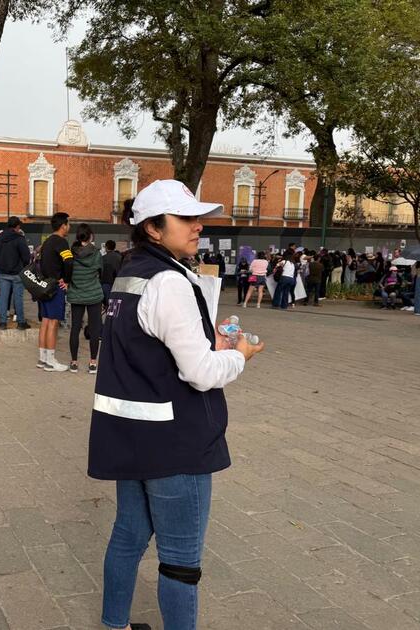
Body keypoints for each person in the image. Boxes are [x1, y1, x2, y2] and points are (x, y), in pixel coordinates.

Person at [89, 179, 264, 630]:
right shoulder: (169, 281)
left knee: (127, 536)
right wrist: (236, 355)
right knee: (181, 560)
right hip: (174, 442)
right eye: (185, 218)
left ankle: (114, 624)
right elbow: (201, 373)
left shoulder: (132, 273)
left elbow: (148, 345)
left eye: (198, 217)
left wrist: (210, 341)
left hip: (129, 434)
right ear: (152, 228)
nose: (197, 226)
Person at [37, 212, 73, 372]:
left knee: (45, 321)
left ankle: (42, 358)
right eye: (68, 224)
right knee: (53, 322)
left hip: (43, 286)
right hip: (55, 287)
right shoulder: (61, 242)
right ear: (63, 225)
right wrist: (66, 280)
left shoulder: (47, 242)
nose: (69, 227)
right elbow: (69, 261)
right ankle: (51, 361)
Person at [67, 223, 103, 374]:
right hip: (94, 295)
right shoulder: (96, 254)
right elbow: (101, 273)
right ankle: (93, 363)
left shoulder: (71, 253)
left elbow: (68, 273)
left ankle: (74, 362)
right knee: (95, 329)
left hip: (76, 295)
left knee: (75, 328)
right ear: (90, 236)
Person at [0, 216, 31, 330]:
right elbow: (26, 256)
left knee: (3, 296)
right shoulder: (20, 238)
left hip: (2, 272)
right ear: (17, 226)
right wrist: (22, 266)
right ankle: (21, 322)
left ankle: (3, 322)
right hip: (17, 273)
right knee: (18, 297)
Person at [101, 239, 123, 307]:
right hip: (118, 284)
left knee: (108, 305)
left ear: (106, 247)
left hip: (105, 283)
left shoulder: (102, 258)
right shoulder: (120, 257)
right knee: (115, 305)